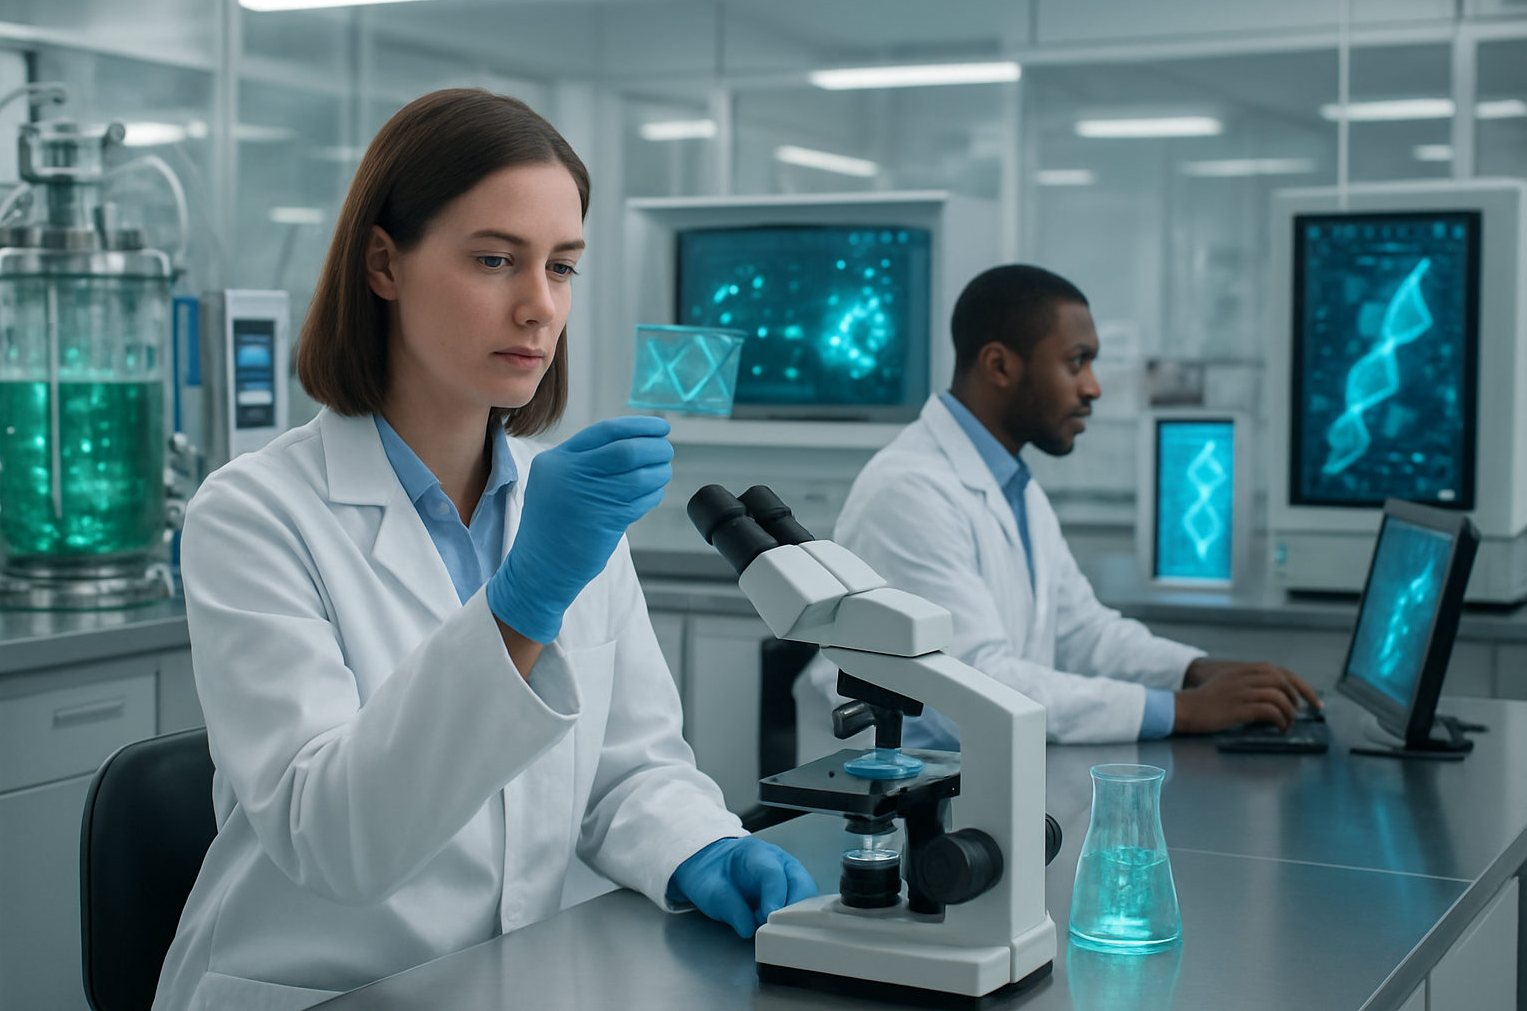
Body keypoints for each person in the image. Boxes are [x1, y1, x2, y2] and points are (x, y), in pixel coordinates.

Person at [154, 89, 814, 1011]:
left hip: (527, 979)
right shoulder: (255, 515)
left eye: (564, 267)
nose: (540, 307)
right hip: (321, 993)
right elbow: (334, 839)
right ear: (384, 263)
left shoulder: (563, 503)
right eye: (496, 259)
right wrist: (525, 598)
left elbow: (628, 770)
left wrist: (700, 842)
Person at [796, 264, 1320, 752]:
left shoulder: (1011, 483)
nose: (1092, 387)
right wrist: (1181, 710)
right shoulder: (910, 491)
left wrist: (1195, 671)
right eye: (1076, 362)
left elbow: (1082, 631)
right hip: (909, 807)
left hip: (983, 780)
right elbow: (973, 684)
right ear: (999, 365)